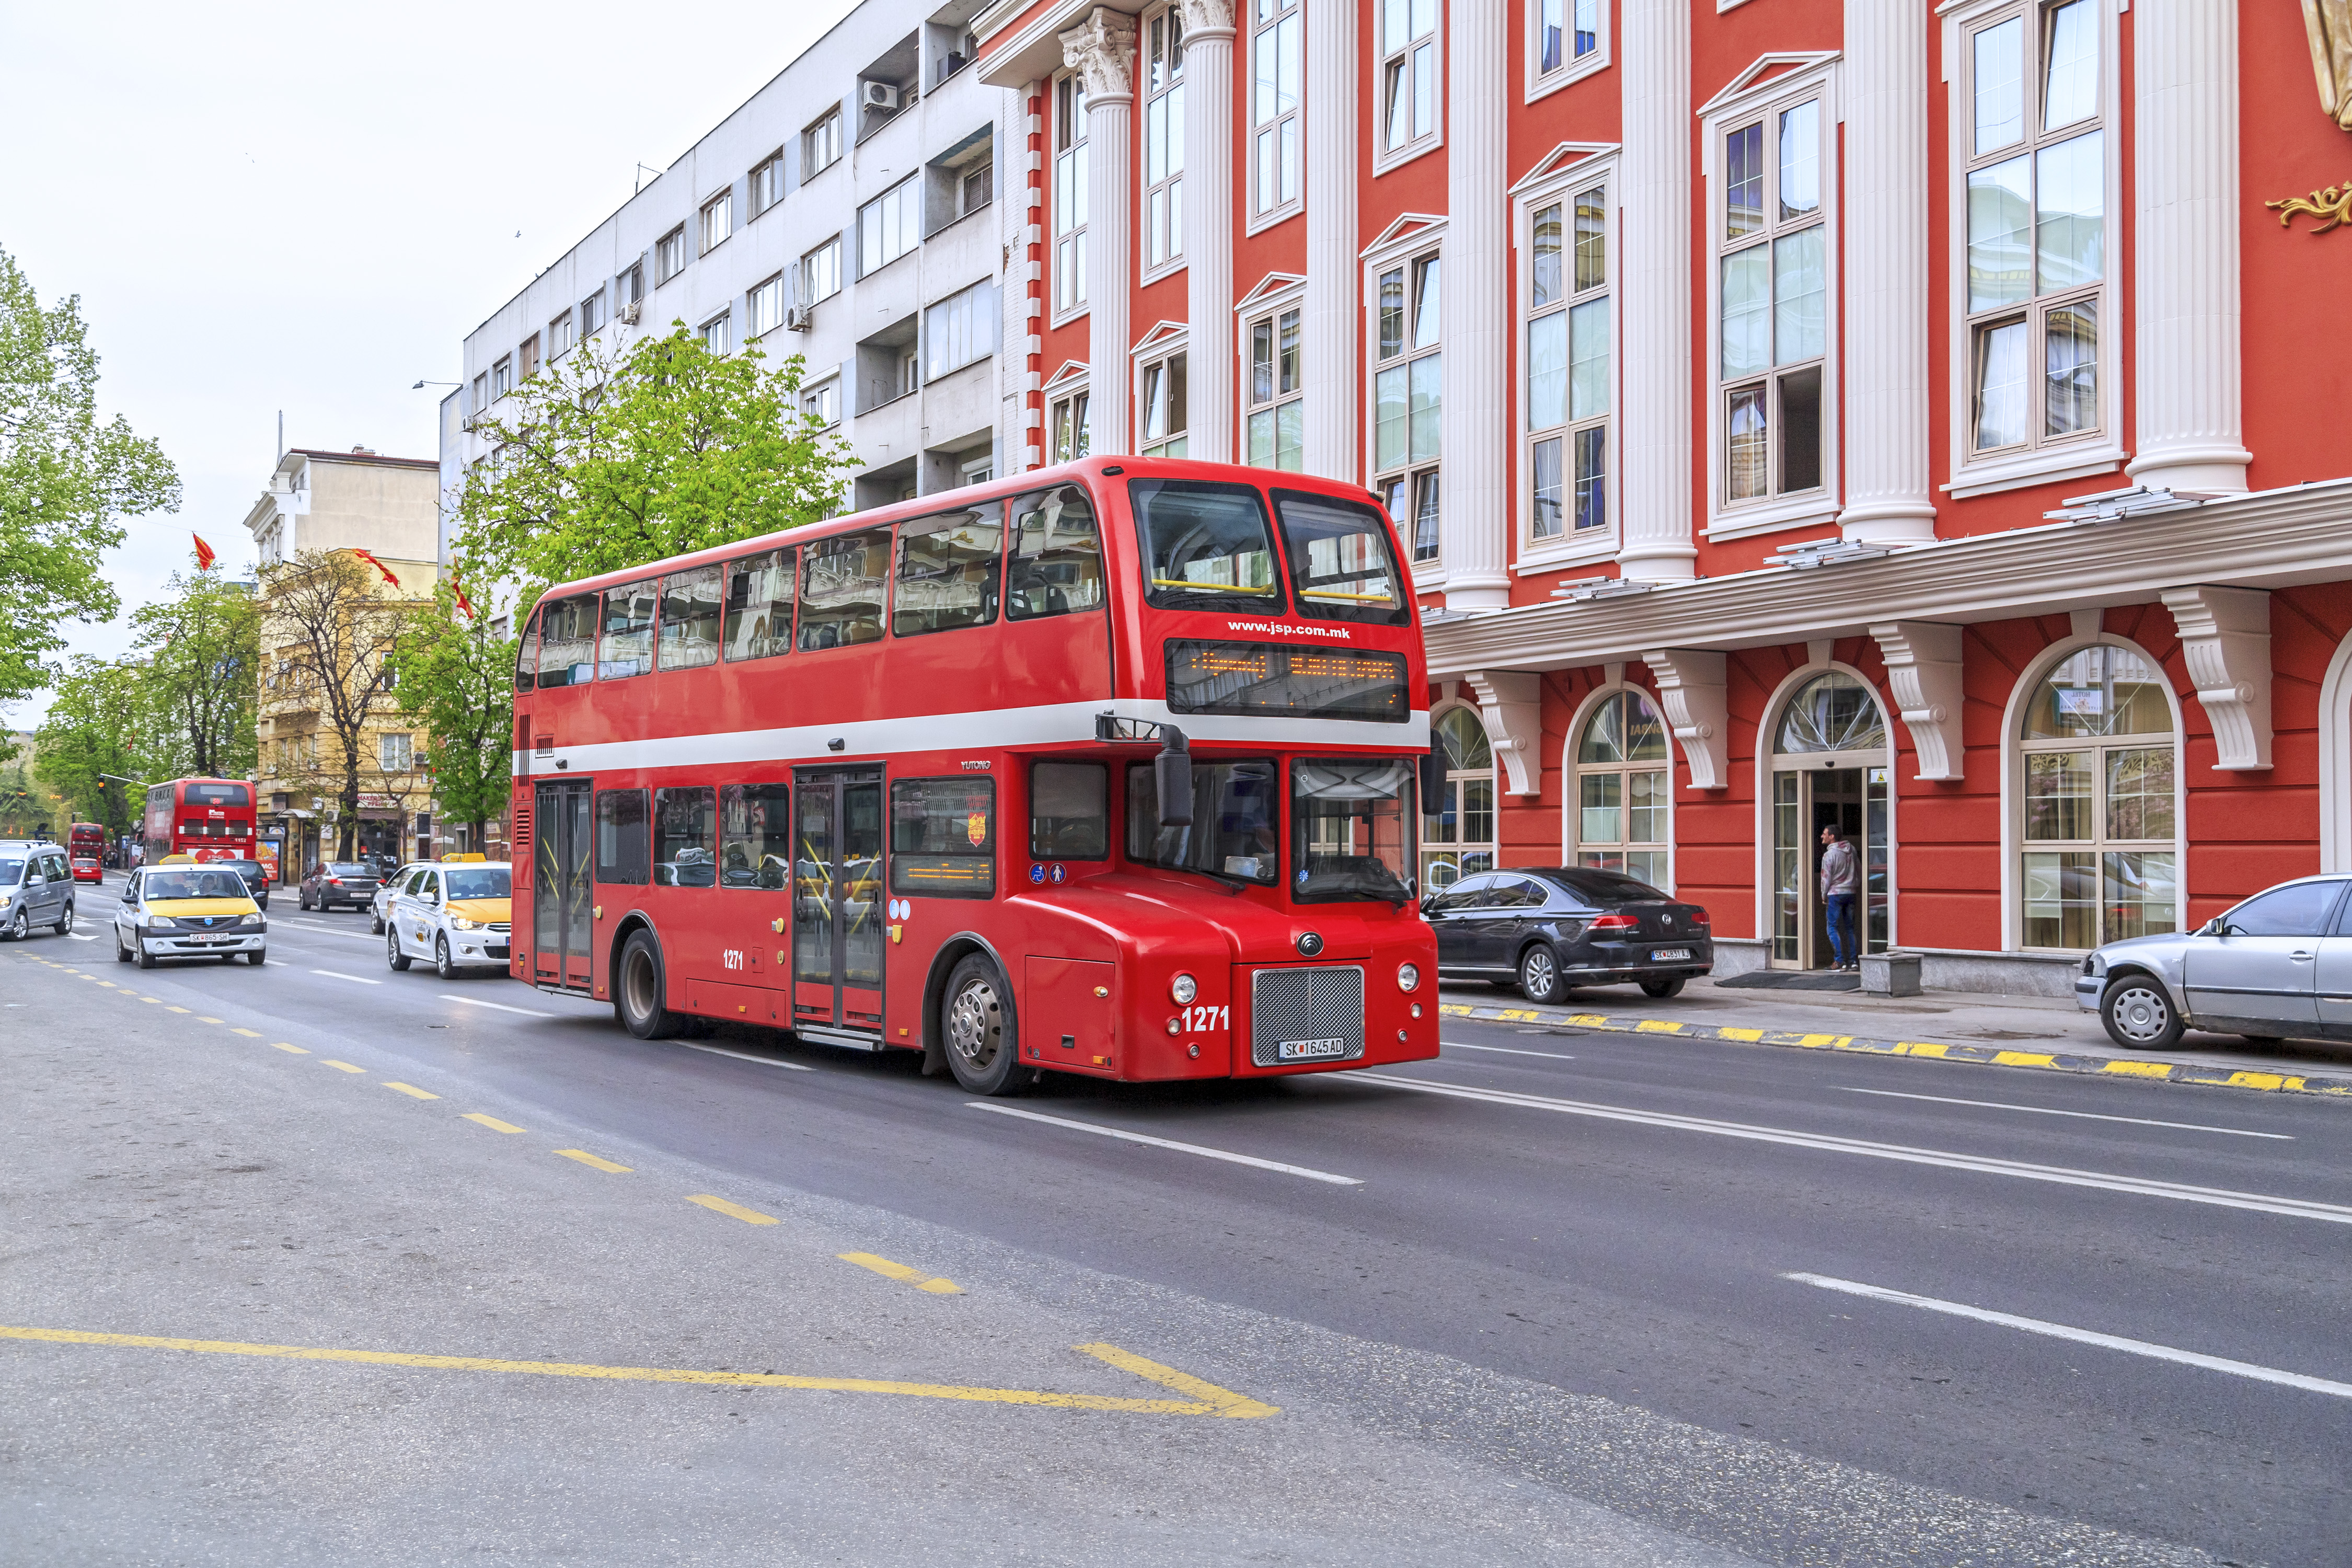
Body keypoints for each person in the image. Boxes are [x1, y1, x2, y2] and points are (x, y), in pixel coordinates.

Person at [1819, 825, 1858, 971]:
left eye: (1824, 834)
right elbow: (1859, 870)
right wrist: (1854, 886)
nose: (1822, 836)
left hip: (1835, 895)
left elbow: (1826, 878)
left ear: (1832, 837)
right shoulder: (1852, 850)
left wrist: (1824, 895)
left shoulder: (1829, 855)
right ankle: (1853, 962)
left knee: (1832, 928)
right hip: (1851, 893)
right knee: (1850, 928)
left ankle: (1839, 961)